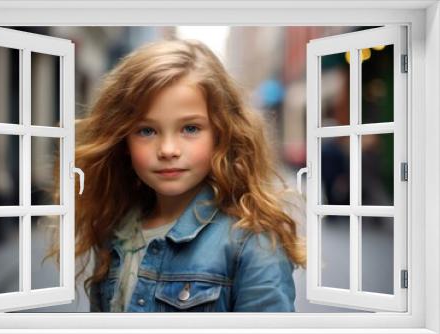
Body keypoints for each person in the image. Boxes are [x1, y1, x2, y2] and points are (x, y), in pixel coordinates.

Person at [68, 39, 306, 312]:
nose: (168, 150)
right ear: (123, 141)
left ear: (221, 133)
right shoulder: (116, 231)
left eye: (190, 128)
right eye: (147, 131)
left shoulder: (253, 244)